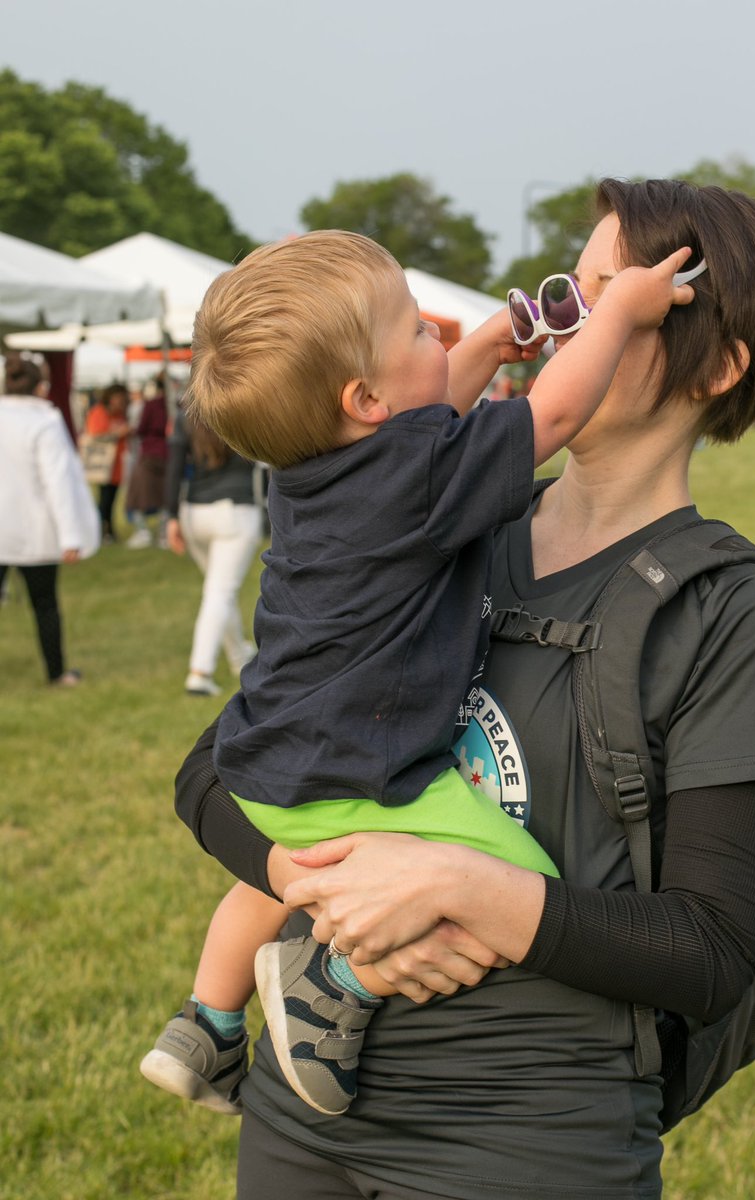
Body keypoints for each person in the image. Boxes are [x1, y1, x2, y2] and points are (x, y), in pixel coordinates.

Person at [169, 179, 755, 1200]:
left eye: (618, 301)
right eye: (572, 295)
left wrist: (470, 888)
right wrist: (309, 884)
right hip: (301, 1115)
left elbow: (711, 953)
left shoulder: (727, 608)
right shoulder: (430, 524)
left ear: (720, 366)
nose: (569, 328)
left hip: (525, 1139)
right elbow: (215, 770)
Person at [140, 228, 694, 1120]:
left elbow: (420, 429)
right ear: (363, 397)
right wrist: (620, 313)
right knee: (517, 879)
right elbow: (549, 418)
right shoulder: (417, 482)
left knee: (273, 875)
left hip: (270, 765)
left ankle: (204, 1022)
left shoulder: (305, 472)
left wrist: (477, 349)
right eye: (416, 333)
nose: (436, 333)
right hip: (371, 776)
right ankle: (336, 984)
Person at [0, 355, 100, 686]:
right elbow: (58, 481)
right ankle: (56, 673)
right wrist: (70, 536)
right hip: (34, 534)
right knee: (45, 605)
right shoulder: (44, 421)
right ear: (41, 386)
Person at [163, 409, 263, 696]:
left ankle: (239, 658)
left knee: (218, 591)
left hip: (194, 514)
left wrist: (170, 516)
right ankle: (200, 672)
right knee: (219, 593)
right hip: (235, 511)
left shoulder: (186, 415)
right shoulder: (242, 405)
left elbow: (174, 467)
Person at [125, 374, 168, 548]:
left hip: (151, 453)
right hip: (167, 453)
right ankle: (163, 534)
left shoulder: (152, 405)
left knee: (136, 495)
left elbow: (142, 428)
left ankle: (144, 532)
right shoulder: (175, 405)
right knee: (165, 495)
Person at [84, 383, 130, 543]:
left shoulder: (120, 415)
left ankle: (109, 530)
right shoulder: (99, 412)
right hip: (103, 465)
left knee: (112, 500)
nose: (120, 402)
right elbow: (95, 433)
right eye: (118, 398)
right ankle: (101, 531)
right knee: (104, 500)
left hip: (116, 464)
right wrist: (119, 433)